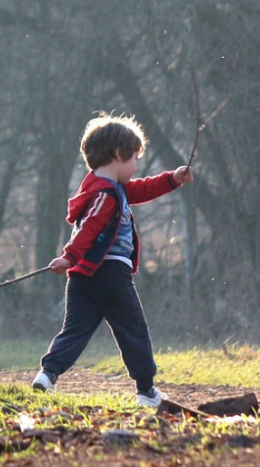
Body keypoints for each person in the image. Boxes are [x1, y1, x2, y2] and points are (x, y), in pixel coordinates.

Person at [32, 112, 193, 408]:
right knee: (133, 329)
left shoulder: (105, 187)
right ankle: (146, 391)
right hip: (109, 275)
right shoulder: (106, 194)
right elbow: (90, 228)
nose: (136, 166)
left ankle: (48, 373)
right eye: (133, 158)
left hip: (82, 277)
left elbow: (143, 188)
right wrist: (69, 256)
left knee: (75, 330)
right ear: (118, 155)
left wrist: (172, 179)